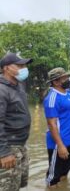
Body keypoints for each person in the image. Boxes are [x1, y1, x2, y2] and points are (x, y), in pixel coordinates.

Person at [0, 52, 33, 191]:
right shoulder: (1, 90)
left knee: (19, 185)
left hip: (21, 144)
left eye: (24, 65)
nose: (23, 68)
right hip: (9, 147)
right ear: (6, 68)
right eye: (19, 65)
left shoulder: (18, 85)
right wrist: (4, 152)